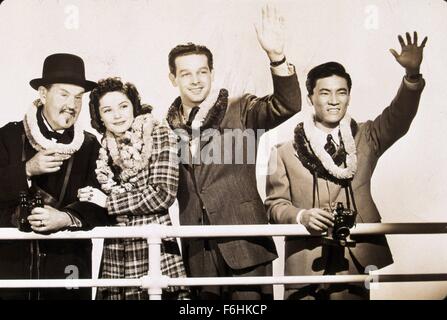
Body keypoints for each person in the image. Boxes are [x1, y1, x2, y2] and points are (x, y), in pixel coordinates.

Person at [265, 32, 427, 300]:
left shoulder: (367, 137)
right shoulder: (283, 151)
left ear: (349, 96)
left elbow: (400, 116)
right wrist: (301, 216)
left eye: (341, 92)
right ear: (310, 98)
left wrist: (412, 75)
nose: (333, 100)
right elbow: (274, 206)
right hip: (305, 262)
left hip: (358, 257)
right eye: (324, 93)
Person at [165, 4, 301, 299]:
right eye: (186, 74)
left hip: (246, 247)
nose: (196, 79)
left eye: (202, 71)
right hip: (198, 252)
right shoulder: (165, 128)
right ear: (173, 79)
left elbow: (287, 105)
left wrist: (277, 58)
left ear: (212, 73)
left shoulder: (241, 109)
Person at [0, 53, 110, 300]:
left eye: (78, 97)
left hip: (68, 266)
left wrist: (67, 218)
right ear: (42, 94)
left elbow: (103, 203)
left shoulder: (91, 145)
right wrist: (27, 169)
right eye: (64, 94)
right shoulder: (7, 136)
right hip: (12, 268)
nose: (72, 104)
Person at [78, 77, 189, 300]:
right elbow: (98, 200)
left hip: (153, 251)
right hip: (115, 256)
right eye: (107, 110)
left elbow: (163, 194)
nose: (117, 115)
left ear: (134, 106)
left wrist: (108, 203)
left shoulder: (159, 134)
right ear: (98, 116)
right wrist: (88, 198)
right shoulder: (102, 147)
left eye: (123, 106)